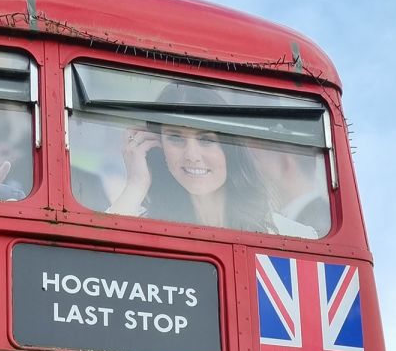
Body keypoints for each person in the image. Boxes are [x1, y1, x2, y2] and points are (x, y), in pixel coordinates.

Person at [104, 82, 315, 236]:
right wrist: (136, 184)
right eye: (176, 138)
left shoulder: (292, 235)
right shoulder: (142, 224)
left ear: (229, 150)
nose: (192, 156)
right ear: (159, 147)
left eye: (206, 140)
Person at [254, 143, 332, 236]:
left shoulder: (320, 225)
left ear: (284, 163)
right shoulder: (324, 218)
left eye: (259, 161)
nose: (257, 171)